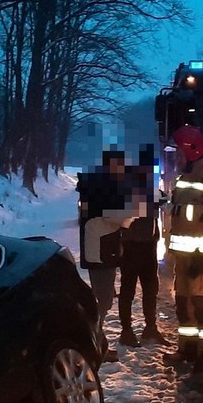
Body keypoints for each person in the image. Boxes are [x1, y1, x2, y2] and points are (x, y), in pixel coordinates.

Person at [163, 125, 203, 366]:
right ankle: (187, 351)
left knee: (202, 306)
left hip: (202, 255)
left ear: (191, 149)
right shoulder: (186, 176)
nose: (176, 157)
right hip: (184, 254)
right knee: (183, 303)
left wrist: (178, 209)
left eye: (179, 152)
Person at [76, 148, 132, 361]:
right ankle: (94, 344)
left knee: (103, 299)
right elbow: (118, 216)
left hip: (101, 249)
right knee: (103, 301)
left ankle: (99, 343)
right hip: (100, 250)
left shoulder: (99, 184)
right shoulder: (102, 187)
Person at [118, 143, 163, 346]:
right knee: (128, 289)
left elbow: (160, 200)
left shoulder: (151, 189)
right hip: (131, 247)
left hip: (148, 246)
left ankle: (150, 328)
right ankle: (126, 331)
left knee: (150, 289)